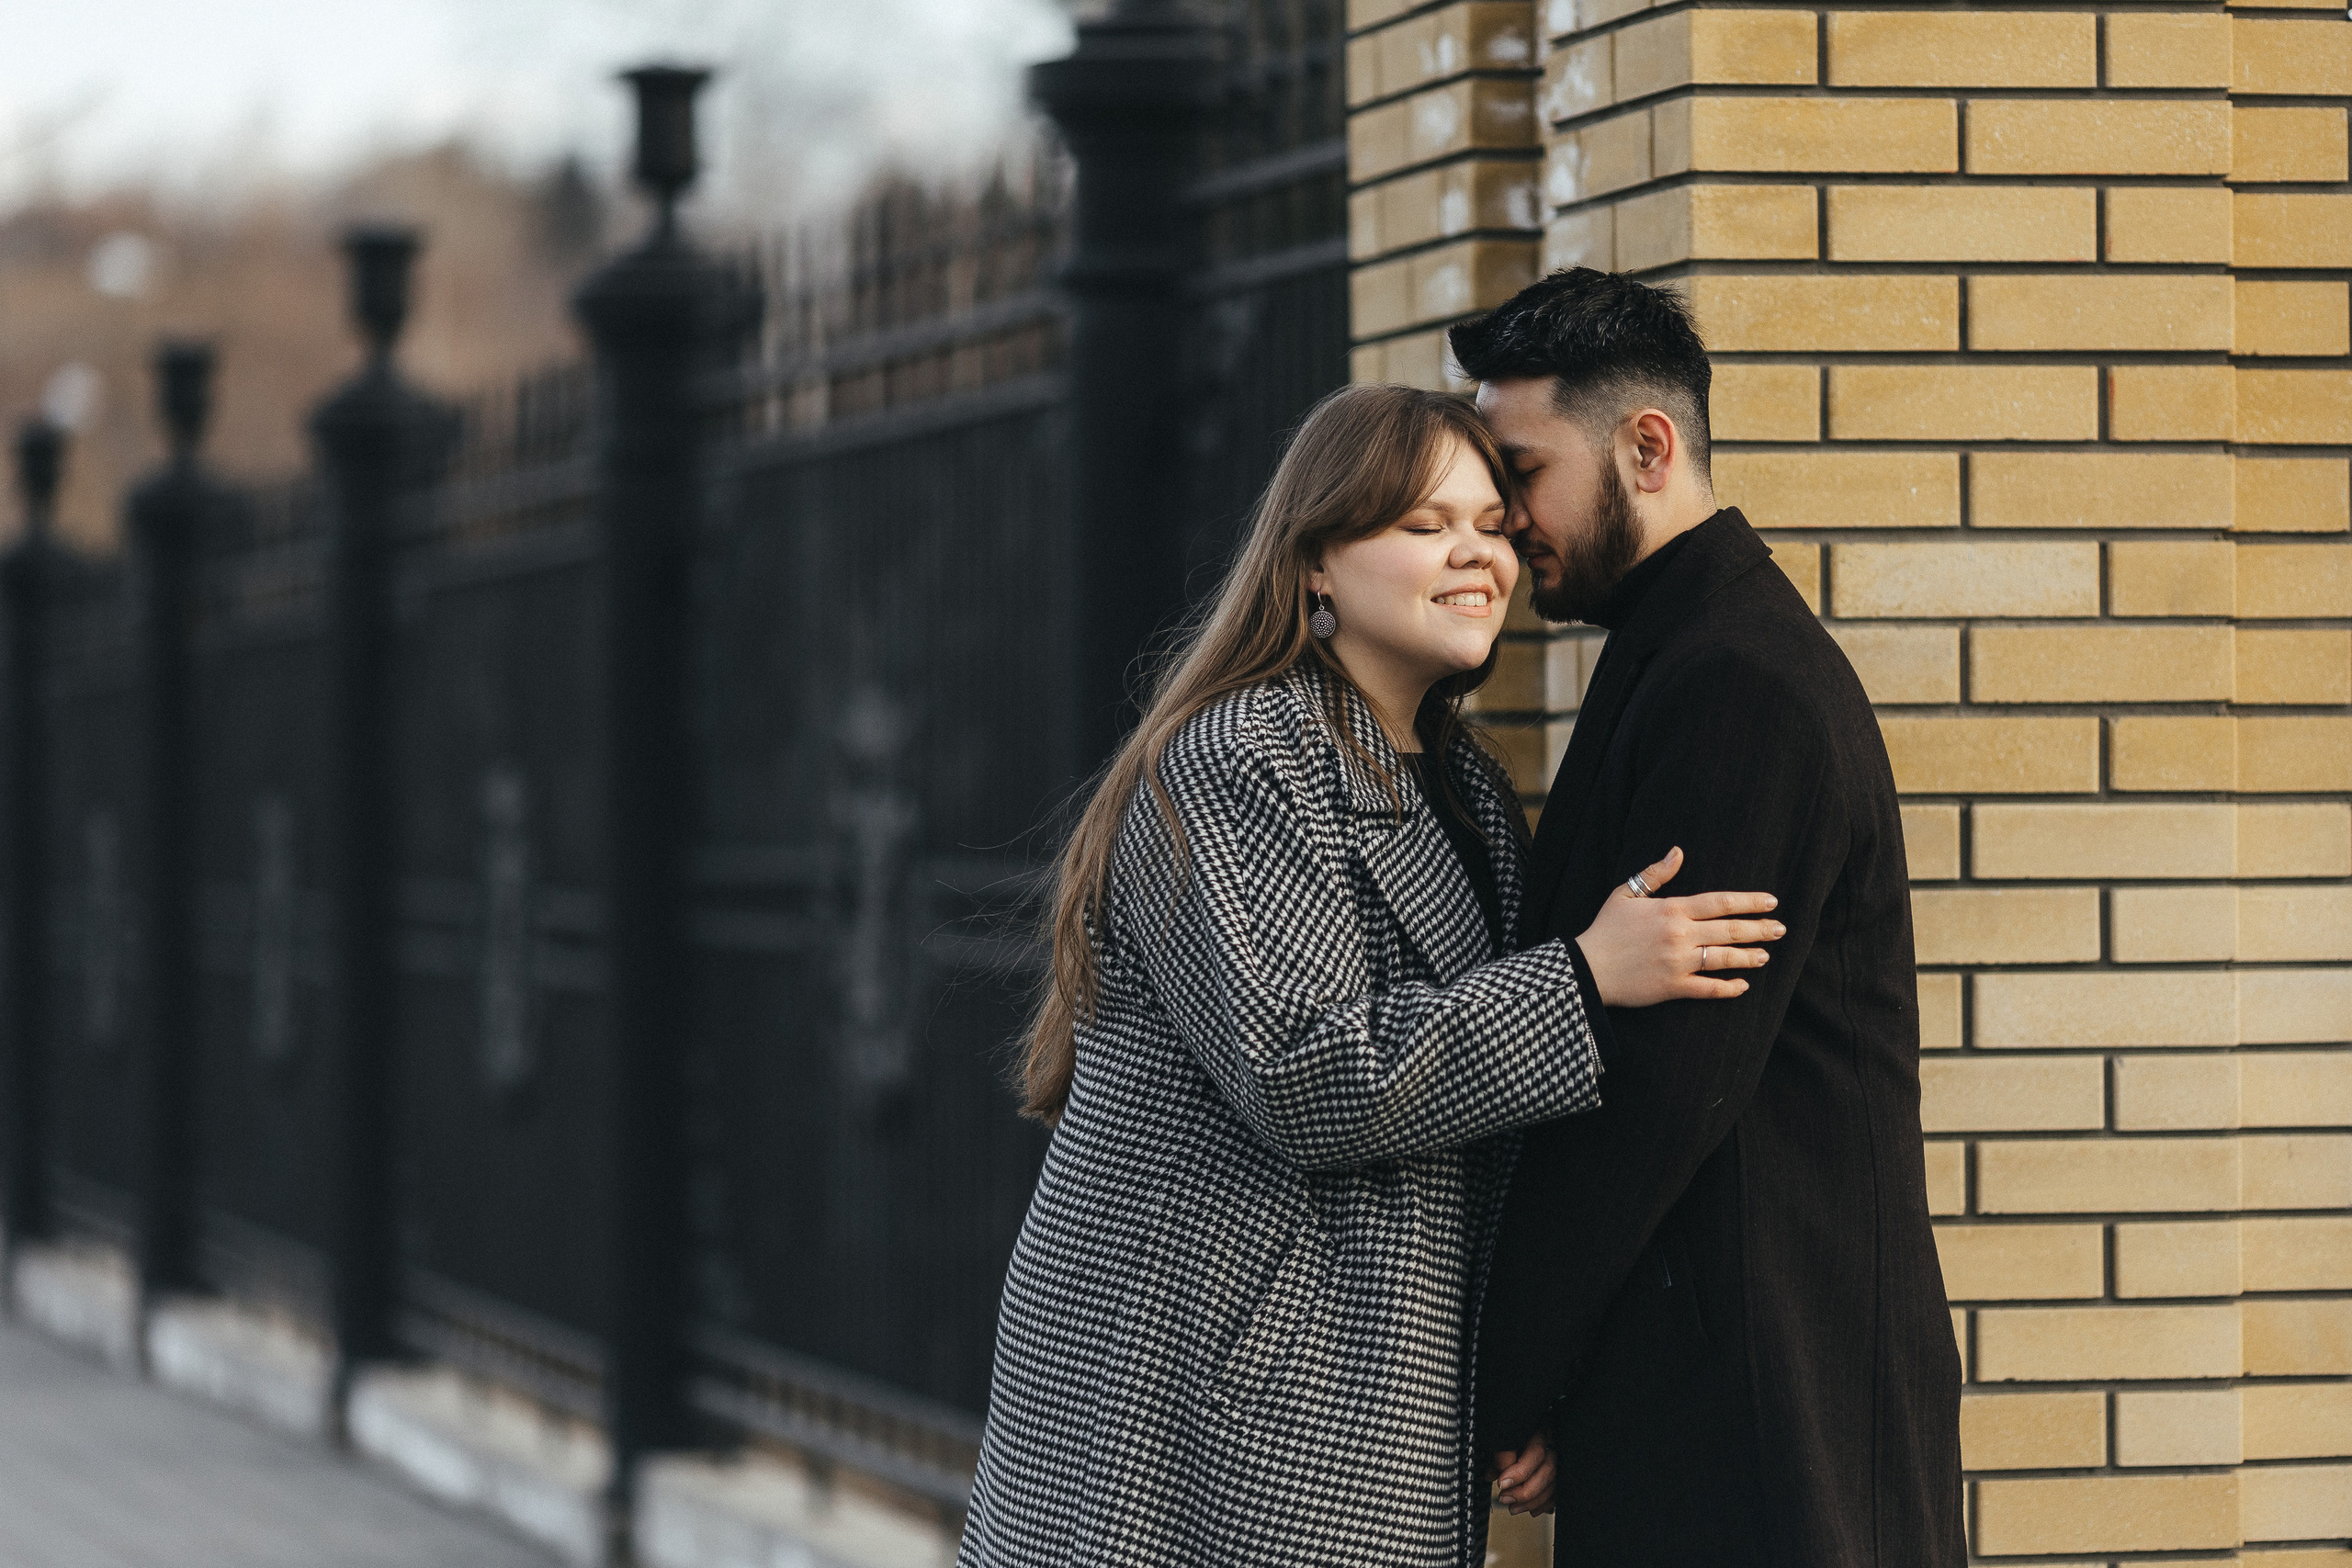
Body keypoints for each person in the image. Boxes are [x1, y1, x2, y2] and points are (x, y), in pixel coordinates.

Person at [957, 383, 1783, 1567]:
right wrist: (1587, 977)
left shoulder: (1473, 799)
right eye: (1422, 524)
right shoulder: (1242, 760)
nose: (1476, 554)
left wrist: (1519, 1385)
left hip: (1359, 1403)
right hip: (1199, 1413)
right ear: (1315, 570)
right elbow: (1303, 1072)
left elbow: (1487, 1137)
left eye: (1493, 525)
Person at [1451, 269, 1965, 1567]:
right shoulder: (1677, 649)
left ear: (1648, 446)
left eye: (1522, 472)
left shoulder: (1736, 681)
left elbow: (1659, 1089)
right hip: (1719, 1385)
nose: (1507, 522)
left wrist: (1507, 1379)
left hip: (1764, 1405)